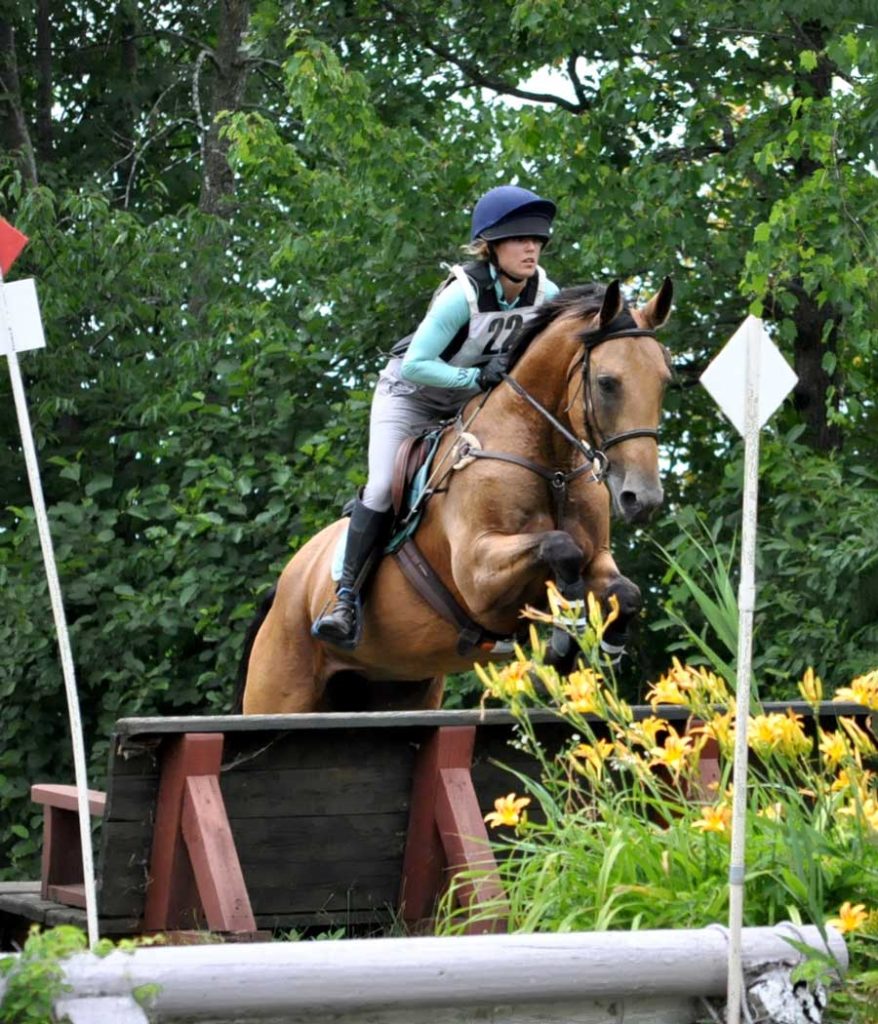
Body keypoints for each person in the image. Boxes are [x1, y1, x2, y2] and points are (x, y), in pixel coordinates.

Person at [312, 184, 561, 649]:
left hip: (471, 402)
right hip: (411, 396)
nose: (531, 248)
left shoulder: (546, 294)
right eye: (518, 239)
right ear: (492, 246)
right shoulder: (461, 296)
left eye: (537, 240)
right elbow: (415, 365)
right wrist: (475, 378)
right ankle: (344, 600)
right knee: (383, 487)